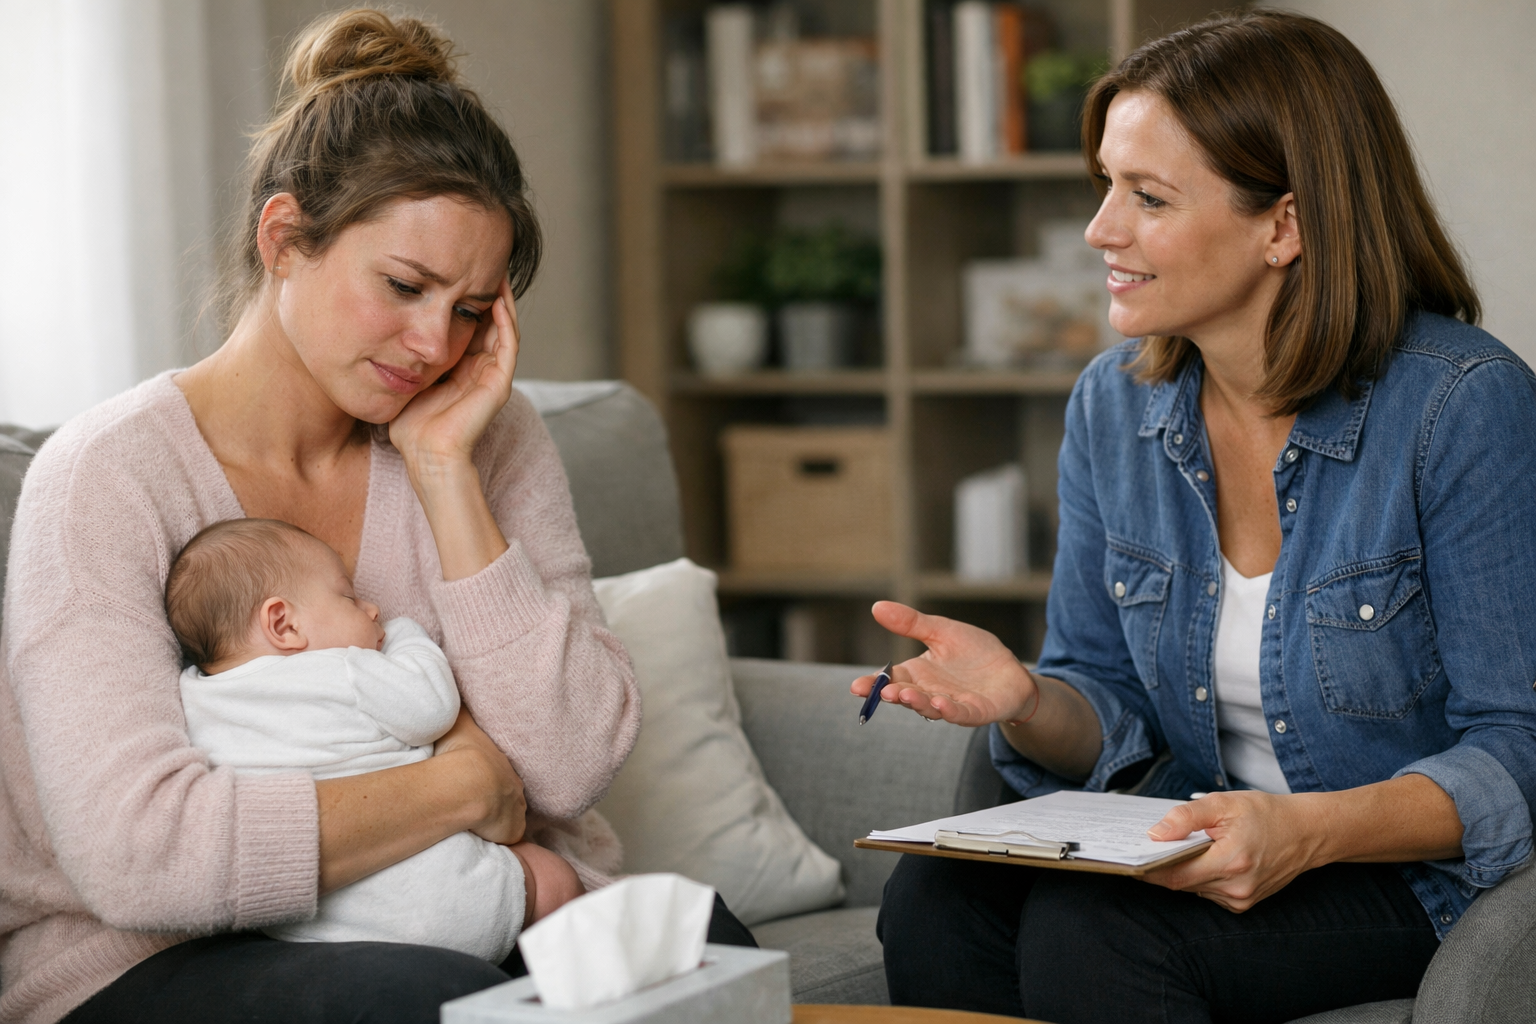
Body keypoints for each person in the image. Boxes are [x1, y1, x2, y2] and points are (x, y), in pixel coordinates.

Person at [0, 10, 752, 1024]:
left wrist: (444, 473)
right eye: (403, 286)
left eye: (474, 309)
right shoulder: (105, 475)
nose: (434, 343)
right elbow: (144, 857)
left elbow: (568, 763)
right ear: (285, 239)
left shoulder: (488, 434)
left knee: (708, 941)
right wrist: (463, 784)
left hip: (452, 904)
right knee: (431, 998)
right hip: (150, 963)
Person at [862, 11, 1536, 1024]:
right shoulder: (1114, 404)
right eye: (1105, 186)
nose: (1100, 230)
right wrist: (1025, 700)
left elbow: (1517, 748)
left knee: (1097, 932)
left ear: (1285, 225)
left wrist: (1303, 829)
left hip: (1400, 871)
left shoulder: (1459, 404)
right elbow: (1102, 685)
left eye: (1148, 197)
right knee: (936, 905)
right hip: (1201, 829)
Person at [168, 518, 584, 962]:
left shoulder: (196, 697)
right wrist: (407, 634)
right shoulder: (346, 671)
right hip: (445, 900)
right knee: (552, 878)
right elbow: (432, 707)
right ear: (283, 625)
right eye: (349, 597)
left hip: (321, 936)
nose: (371, 610)